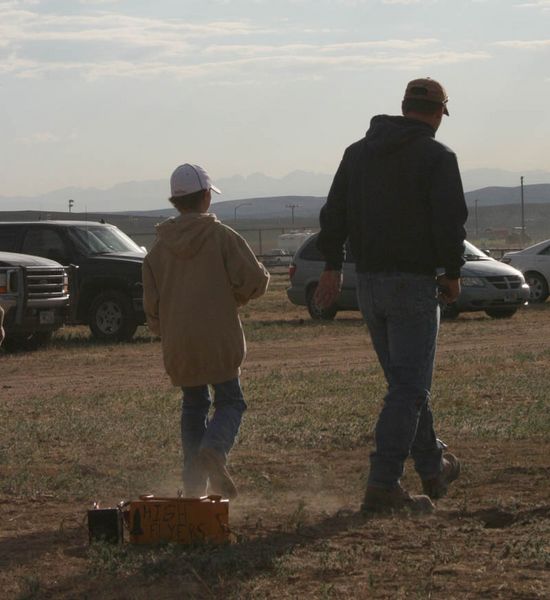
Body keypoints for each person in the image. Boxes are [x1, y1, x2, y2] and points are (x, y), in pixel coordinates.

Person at [315, 78, 467, 513]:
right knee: (409, 386)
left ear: (404, 107)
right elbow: (449, 220)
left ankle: (433, 466)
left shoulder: (357, 153)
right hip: (414, 284)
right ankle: (383, 483)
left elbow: (334, 214)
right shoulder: (438, 156)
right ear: (438, 113)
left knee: (406, 384)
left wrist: (330, 266)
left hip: (368, 285)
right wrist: (452, 272)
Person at [142, 163, 269, 499]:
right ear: (207, 198)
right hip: (219, 339)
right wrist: (234, 298)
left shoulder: (156, 250)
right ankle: (213, 450)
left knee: (193, 404)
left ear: (175, 201)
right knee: (231, 400)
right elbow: (256, 281)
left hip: (179, 345)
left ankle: (193, 485)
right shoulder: (222, 237)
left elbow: (152, 313)